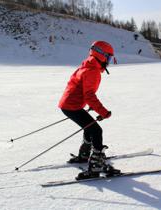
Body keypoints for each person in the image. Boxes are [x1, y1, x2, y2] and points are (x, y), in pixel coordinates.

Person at [58, 41, 115, 179]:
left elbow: (81, 90)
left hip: (70, 105)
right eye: (108, 57)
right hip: (72, 106)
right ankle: (96, 164)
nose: (108, 61)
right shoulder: (93, 71)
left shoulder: (87, 66)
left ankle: (84, 155)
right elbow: (89, 95)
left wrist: (87, 104)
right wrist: (103, 112)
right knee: (96, 130)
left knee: (89, 127)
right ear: (101, 55)